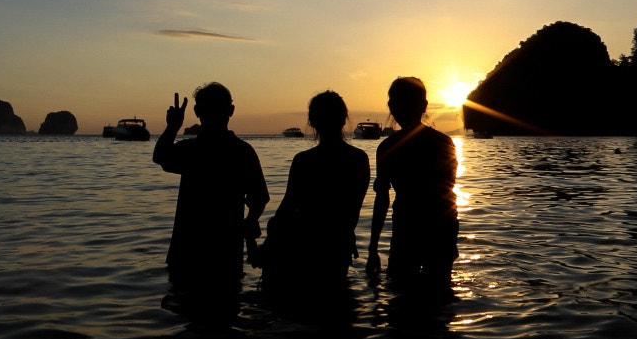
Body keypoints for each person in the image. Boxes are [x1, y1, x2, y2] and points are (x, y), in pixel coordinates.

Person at [153, 83, 269, 296]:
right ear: (231, 111)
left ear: (197, 112)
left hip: (187, 252)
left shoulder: (192, 151)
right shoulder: (242, 152)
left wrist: (173, 126)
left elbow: (160, 156)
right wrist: (249, 227)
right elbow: (259, 198)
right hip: (225, 254)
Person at [260, 91, 371, 297]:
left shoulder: (304, 161)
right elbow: (351, 212)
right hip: (338, 247)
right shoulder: (359, 159)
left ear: (311, 121)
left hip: (304, 247)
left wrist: (268, 244)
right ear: (344, 119)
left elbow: (286, 209)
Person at [366, 77, 458, 293]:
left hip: (407, 227)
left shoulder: (388, 147)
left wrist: (372, 248)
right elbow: (448, 188)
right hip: (442, 226)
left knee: (401, 298)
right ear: (424, 106)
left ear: (392, 107)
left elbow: (382, 200)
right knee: (440, 294)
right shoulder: (445, 143)